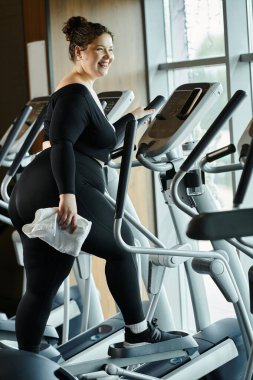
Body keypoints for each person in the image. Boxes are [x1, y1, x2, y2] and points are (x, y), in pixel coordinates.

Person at [8, 16, 180, 354]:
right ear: (79, 51)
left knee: (42, 286)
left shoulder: (77, 88)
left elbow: (96, 144)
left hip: (28, 191)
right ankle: (138, 332)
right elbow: (62, 144)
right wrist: (67, 197)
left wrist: (135, 119)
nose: (108, 56)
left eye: (111, 50)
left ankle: (25, 361)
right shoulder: (74, 91)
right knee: (122, 245)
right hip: (57, 188)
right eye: (99, 49)